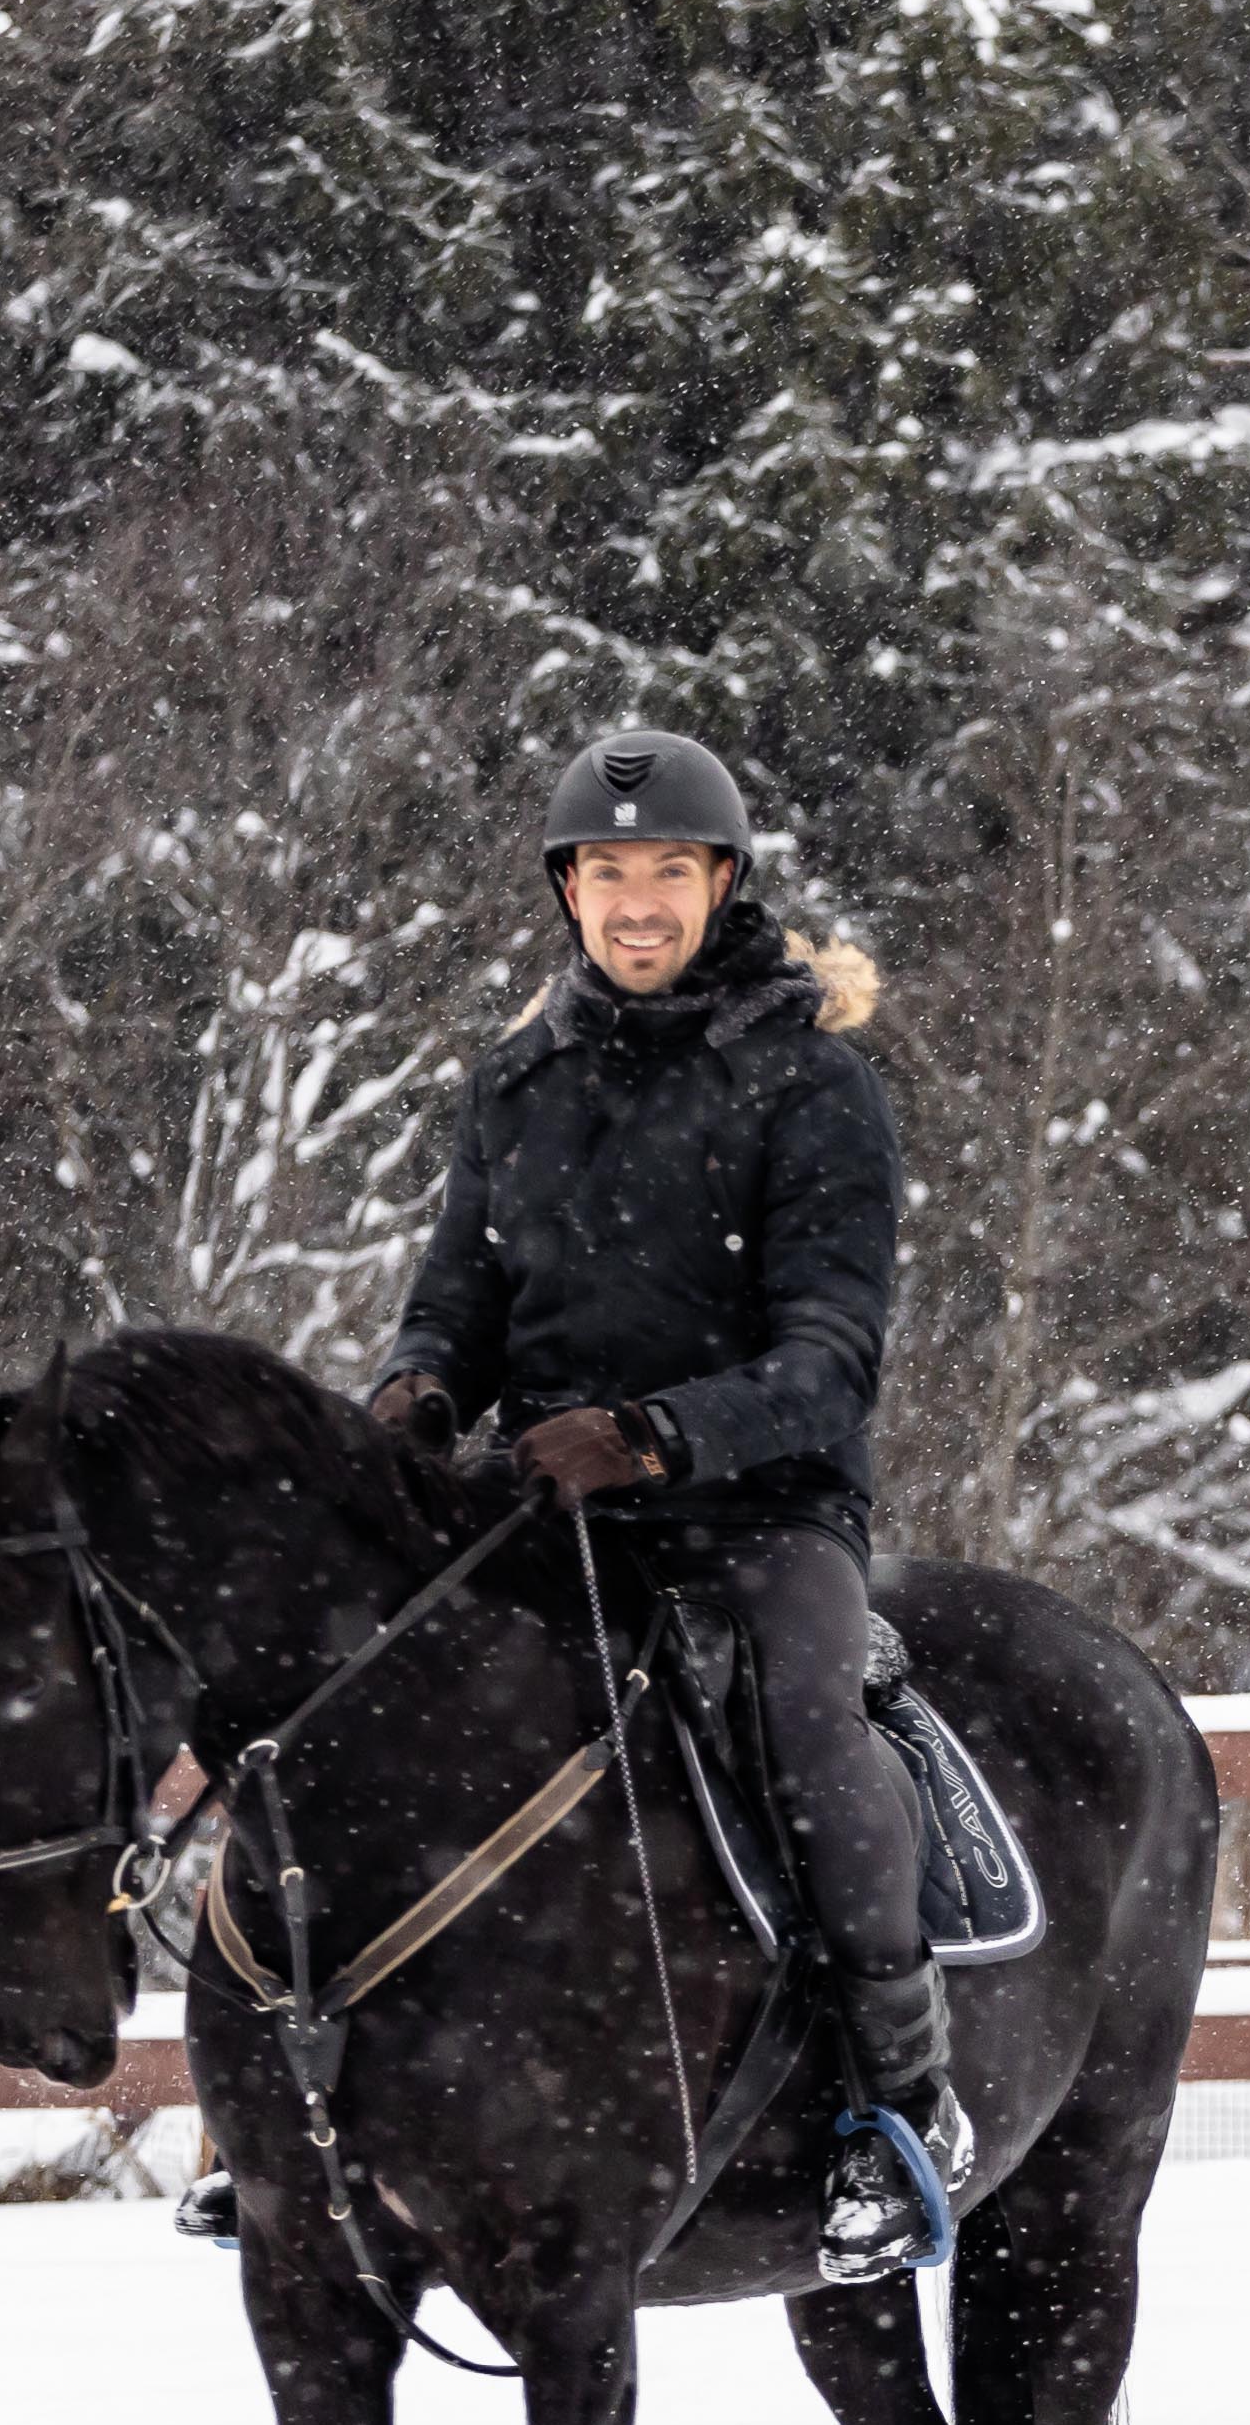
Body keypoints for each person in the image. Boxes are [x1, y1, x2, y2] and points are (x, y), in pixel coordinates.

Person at [354, 724, 967, 2284]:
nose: (636, 904)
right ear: (569, 891)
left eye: (666, 874)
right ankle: (339, 2108)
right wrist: (419, 1393)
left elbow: (830, 1359)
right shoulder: (516, 1082)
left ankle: (897, 2108)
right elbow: (456, 1302)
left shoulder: (812, 1085)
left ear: (721, 885)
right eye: (608, 874)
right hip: (547, 1514)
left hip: (760, 1516)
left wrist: (650, 1436)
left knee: (808, 1723)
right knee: (363, 1698)